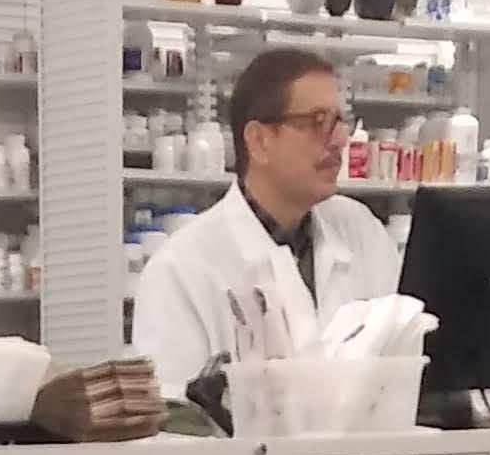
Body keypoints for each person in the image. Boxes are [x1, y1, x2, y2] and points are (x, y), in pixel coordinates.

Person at [130, 41, 405, 401]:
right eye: (317, 122)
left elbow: (403, 360)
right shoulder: (180, 271)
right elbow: (177, 424)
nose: (339, 141)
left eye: (340, 122)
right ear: (258, 141)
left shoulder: (359, 230)